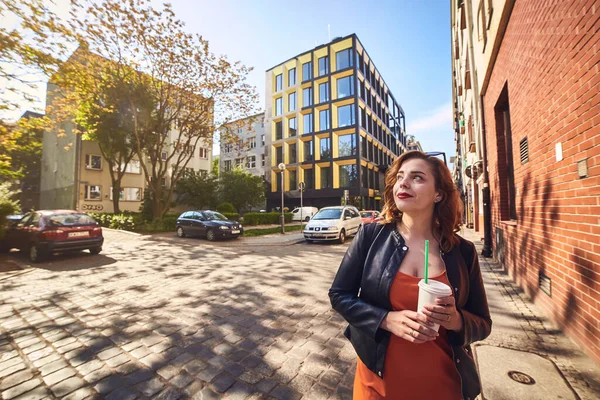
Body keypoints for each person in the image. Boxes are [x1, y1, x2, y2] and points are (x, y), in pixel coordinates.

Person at [329, 151, 492, 400]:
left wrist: (455, 319)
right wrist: (385, 319)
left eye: (417, 177)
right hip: (378, 385)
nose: (402, 183)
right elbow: (339, 295)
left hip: (443, 385)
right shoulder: (371, 236)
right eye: (399, 177)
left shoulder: (463, 251)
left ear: (439, 194)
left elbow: (482, 323)